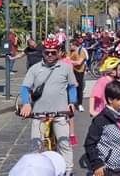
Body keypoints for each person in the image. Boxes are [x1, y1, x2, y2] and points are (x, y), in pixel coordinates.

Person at [19, 38, 78, 174]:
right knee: (36, 146)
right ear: (43, 53)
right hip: (39, 114)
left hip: (60, 113)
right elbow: (25, 88)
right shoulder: (34, 69)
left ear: (58, 52)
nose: (50, 55)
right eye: (47, 53)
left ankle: (67, 171)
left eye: (53, 52)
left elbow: (71, 87)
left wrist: (72, 102)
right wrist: (26, 104)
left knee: (64, 144)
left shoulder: (66, 67)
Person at [83, 80, 120, 176]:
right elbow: (89, 144)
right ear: (110, 100)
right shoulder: (101, 120)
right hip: (108, 169)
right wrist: (97, 164)